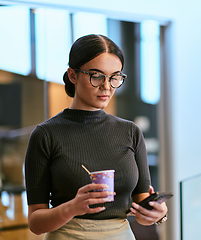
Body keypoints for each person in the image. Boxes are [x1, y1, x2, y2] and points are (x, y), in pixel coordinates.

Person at [24, 34, 168, 240]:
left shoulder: (130, 132)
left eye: (115, 77)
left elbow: (143, 211)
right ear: (73, 75)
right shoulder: (46, 134)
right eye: (97, 76)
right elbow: (36, 223)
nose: (107, 86)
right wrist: (71, 208)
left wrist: (157, 214)